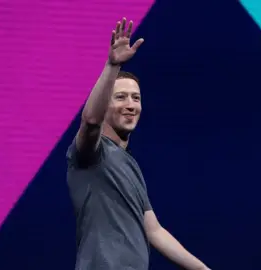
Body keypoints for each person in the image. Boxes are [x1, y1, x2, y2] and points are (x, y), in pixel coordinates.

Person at [66, 17, 210, 270]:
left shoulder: (129, 164)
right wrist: (112, 66)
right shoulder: (91, 153)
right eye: (120, 97)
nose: (131, 105)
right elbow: (90, 121)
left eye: (136, 98)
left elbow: (154, 231)